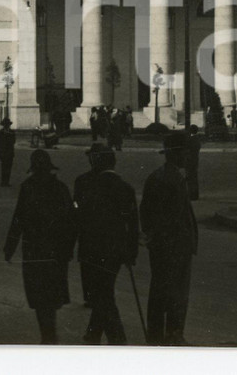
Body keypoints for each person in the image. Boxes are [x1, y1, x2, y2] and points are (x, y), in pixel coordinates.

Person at [4, 149, 76, 345]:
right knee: (52, 293)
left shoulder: (28, 187)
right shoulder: (60, 188)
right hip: (56, 250)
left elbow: (18, 219)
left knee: (38, 294)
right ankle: (50, 333)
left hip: (34, 249)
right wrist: (69, 248)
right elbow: (71, 221)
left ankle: (47, 334)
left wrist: (9, 247)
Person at [74, 141, 138, 344]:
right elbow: (133, 223)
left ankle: (117, 338)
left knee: (101, 294)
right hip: (116, 250)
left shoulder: (85, 184)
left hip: (91, 248)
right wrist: (132, 252)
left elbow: (77, 216)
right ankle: (93, 334)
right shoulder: (126, 188)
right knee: (104, 290)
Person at [140, 132, 199, 346]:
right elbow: (160, 216)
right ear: (176, 153)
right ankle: (172, 335)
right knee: (174, 293)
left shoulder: (164, 176)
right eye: (185, 152)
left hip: (168, 245)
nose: (188, 156)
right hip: (173, 246)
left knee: (162, 291)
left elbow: (146, 213)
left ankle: (159, 335)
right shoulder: (169, 178)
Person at [73, 143, 107, 307]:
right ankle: (99, 295)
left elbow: (76, 205)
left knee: (87, 265)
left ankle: (90, 296)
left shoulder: (82, 180)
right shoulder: (112, 181)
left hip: (87, 229)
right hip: (103, 231)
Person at [0, 118, 17, 187]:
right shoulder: (0, 133)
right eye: (6, 125)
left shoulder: (12, 132)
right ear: (4, 125)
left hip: (10, 152)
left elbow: (13, 141)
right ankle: (3, 182)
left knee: (8, 167)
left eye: (8, 125)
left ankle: (7, 181)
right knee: (4, 167)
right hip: (3, 152)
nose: (7, 126)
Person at [184, 124, 202, 201]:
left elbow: (187, 149)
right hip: (195, 160)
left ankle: (191, 194)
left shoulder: (190, 139)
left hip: (190, 160)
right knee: (194, 178)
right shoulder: (197, 139)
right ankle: (194, 194)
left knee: (190, 177)